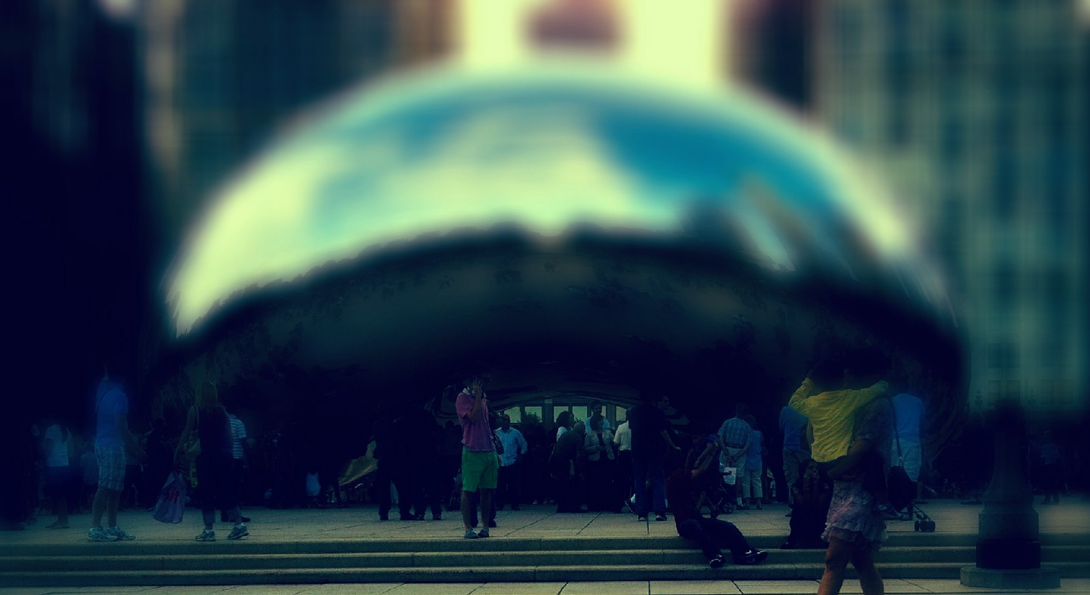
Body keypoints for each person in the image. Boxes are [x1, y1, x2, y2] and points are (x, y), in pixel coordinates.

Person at [789, 350, 891, 595]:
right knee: (862, 561)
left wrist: (832, 472)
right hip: (845, 489)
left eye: (847, 374)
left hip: (862, 490)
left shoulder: (875, 405)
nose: (843, 379)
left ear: (857, 376)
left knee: (834, 559)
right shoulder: (848, 402)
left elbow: (861, 448)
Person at [667, 442, 769, 568]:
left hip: (697, 519)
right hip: (685, 523)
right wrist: (712, 452)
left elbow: (699, 470)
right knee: (695, 526)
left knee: (727, 526)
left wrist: (711, 452)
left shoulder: (679, 477)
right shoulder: (675, 480)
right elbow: (700, 470)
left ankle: (742, 552)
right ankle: (714, 554)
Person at [175, 381, 248, 542]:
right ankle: (238, 525)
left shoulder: (195, 411)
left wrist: (178, 450)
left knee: (206, 492)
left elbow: (186, 432)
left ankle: (209, 530)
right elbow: (229, 436)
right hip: (225, 455)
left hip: (206, 456)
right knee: (226, 490)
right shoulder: (222, 411)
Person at [88, 372, 146, 542]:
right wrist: (137, 451)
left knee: (113, 488)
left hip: (106, 444)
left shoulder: (104, 395)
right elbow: (121, 427)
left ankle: (111, 527)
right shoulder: (119, 396)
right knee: (106, 487)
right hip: (112, 446)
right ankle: (95, 528)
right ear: (123, 378)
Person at [456, 369, 498, 539]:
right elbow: (474, 418)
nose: (487, 383)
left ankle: (486, 525)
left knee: (488, 490)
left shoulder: (484, 400)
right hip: (472, 449)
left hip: (489, 449)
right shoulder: (462, 399)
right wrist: (478, 396)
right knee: (468, 490)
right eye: (484, 380)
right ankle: (467, 527)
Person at [628, 394, 681, 522]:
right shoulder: (657, 412)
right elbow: (663, 432)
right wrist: (673, 446)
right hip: (654, 450)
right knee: (658, 479)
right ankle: (659, 511)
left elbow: (631, 428)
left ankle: (641, 512)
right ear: (654, 400)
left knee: (639, 480)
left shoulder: (632, 412)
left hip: (637, 450)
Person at [782, 458, 830, 549]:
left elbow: (818, 503)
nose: (814, 470)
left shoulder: (824, 485)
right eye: (811, 468)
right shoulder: (796, 486)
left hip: (818, 518)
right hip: (802, 517)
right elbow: (803, 503)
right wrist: (806, 484)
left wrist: (816, 485)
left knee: (815, 510)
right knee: (803, 510)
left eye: (816, 468)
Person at [889, 391, 926, 505]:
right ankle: (909, 505)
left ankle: (896, 504)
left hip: (895, 441)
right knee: (911, 473)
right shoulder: (917, 402)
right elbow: (922, 423)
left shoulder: (892, 401)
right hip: (912, 441)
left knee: (894, 472)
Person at [717, 403, 751, 507]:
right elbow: (748, 445)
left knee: (723, 474)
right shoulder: (747, 426)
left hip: (727, 448)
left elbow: (720, 438)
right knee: (738, 477)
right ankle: (739, 501)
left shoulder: (727, 422)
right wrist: (737, 455)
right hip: (739, 451)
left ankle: (723, 498)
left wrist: (726, 452)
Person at [550, 421, 587, 513]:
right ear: (581, 430)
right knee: (574, 483)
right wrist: (579, 470)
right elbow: (578, 455)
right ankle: (575, 506)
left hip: (556, 460)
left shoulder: (565, 435)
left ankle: (562, 506)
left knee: (562, 484)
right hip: (566, 461)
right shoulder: (578, 437)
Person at [42, 418, 73, 529]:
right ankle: (64, 519)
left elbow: (48, 448)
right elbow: (70, 449)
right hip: (64, 464)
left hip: (54, 465)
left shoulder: (51, 429)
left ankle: (60, 520)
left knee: (56, 494)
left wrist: (44, 455)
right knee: (62, 494)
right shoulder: (66, 430)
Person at [494, 414, 528, 512]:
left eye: (506, 420)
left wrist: (521, 455)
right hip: (500, 462)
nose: (504, 422)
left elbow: (524, 444)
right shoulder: (496, 433)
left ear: (509, 421)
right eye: (503, 420)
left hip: (512, 462)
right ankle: (499, 504)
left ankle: (515, 504)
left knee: (513, 485)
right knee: (500, 485)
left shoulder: (515, 433)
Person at [779, 404, 810, 512]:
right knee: (808, 475)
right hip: (805, 447)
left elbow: (781, 426)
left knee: (791, 478)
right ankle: (808, 503)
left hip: (788, 446)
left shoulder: (786, 410)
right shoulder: (809, 408)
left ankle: (793, 505)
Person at [583, 413, 617, 512]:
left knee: (607, 482)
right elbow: (585, 448)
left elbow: (614, 442)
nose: (602, 422)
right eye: (600, 421)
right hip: (595, 461)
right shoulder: (589, 434)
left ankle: (606, 503)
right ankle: (595, 504)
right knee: (595, 483)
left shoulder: (607, 433)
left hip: (607, 460)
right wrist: (596, 448)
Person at [740, 414, 764, 510]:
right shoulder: (759, 433)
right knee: (757, 481)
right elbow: (762, 444)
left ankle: (747, 503)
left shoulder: (744, 434)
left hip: (746, 460)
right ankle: (759, 502)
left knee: (746, 483)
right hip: (757, 460)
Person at [612, 418, 633, 510]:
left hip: (624, 455)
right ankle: (633, 501)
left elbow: (616, 443)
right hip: (635, 454)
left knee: (621, 480)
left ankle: (618, 504)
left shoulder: (621, 427)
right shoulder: (638, 427)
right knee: (635, 480)